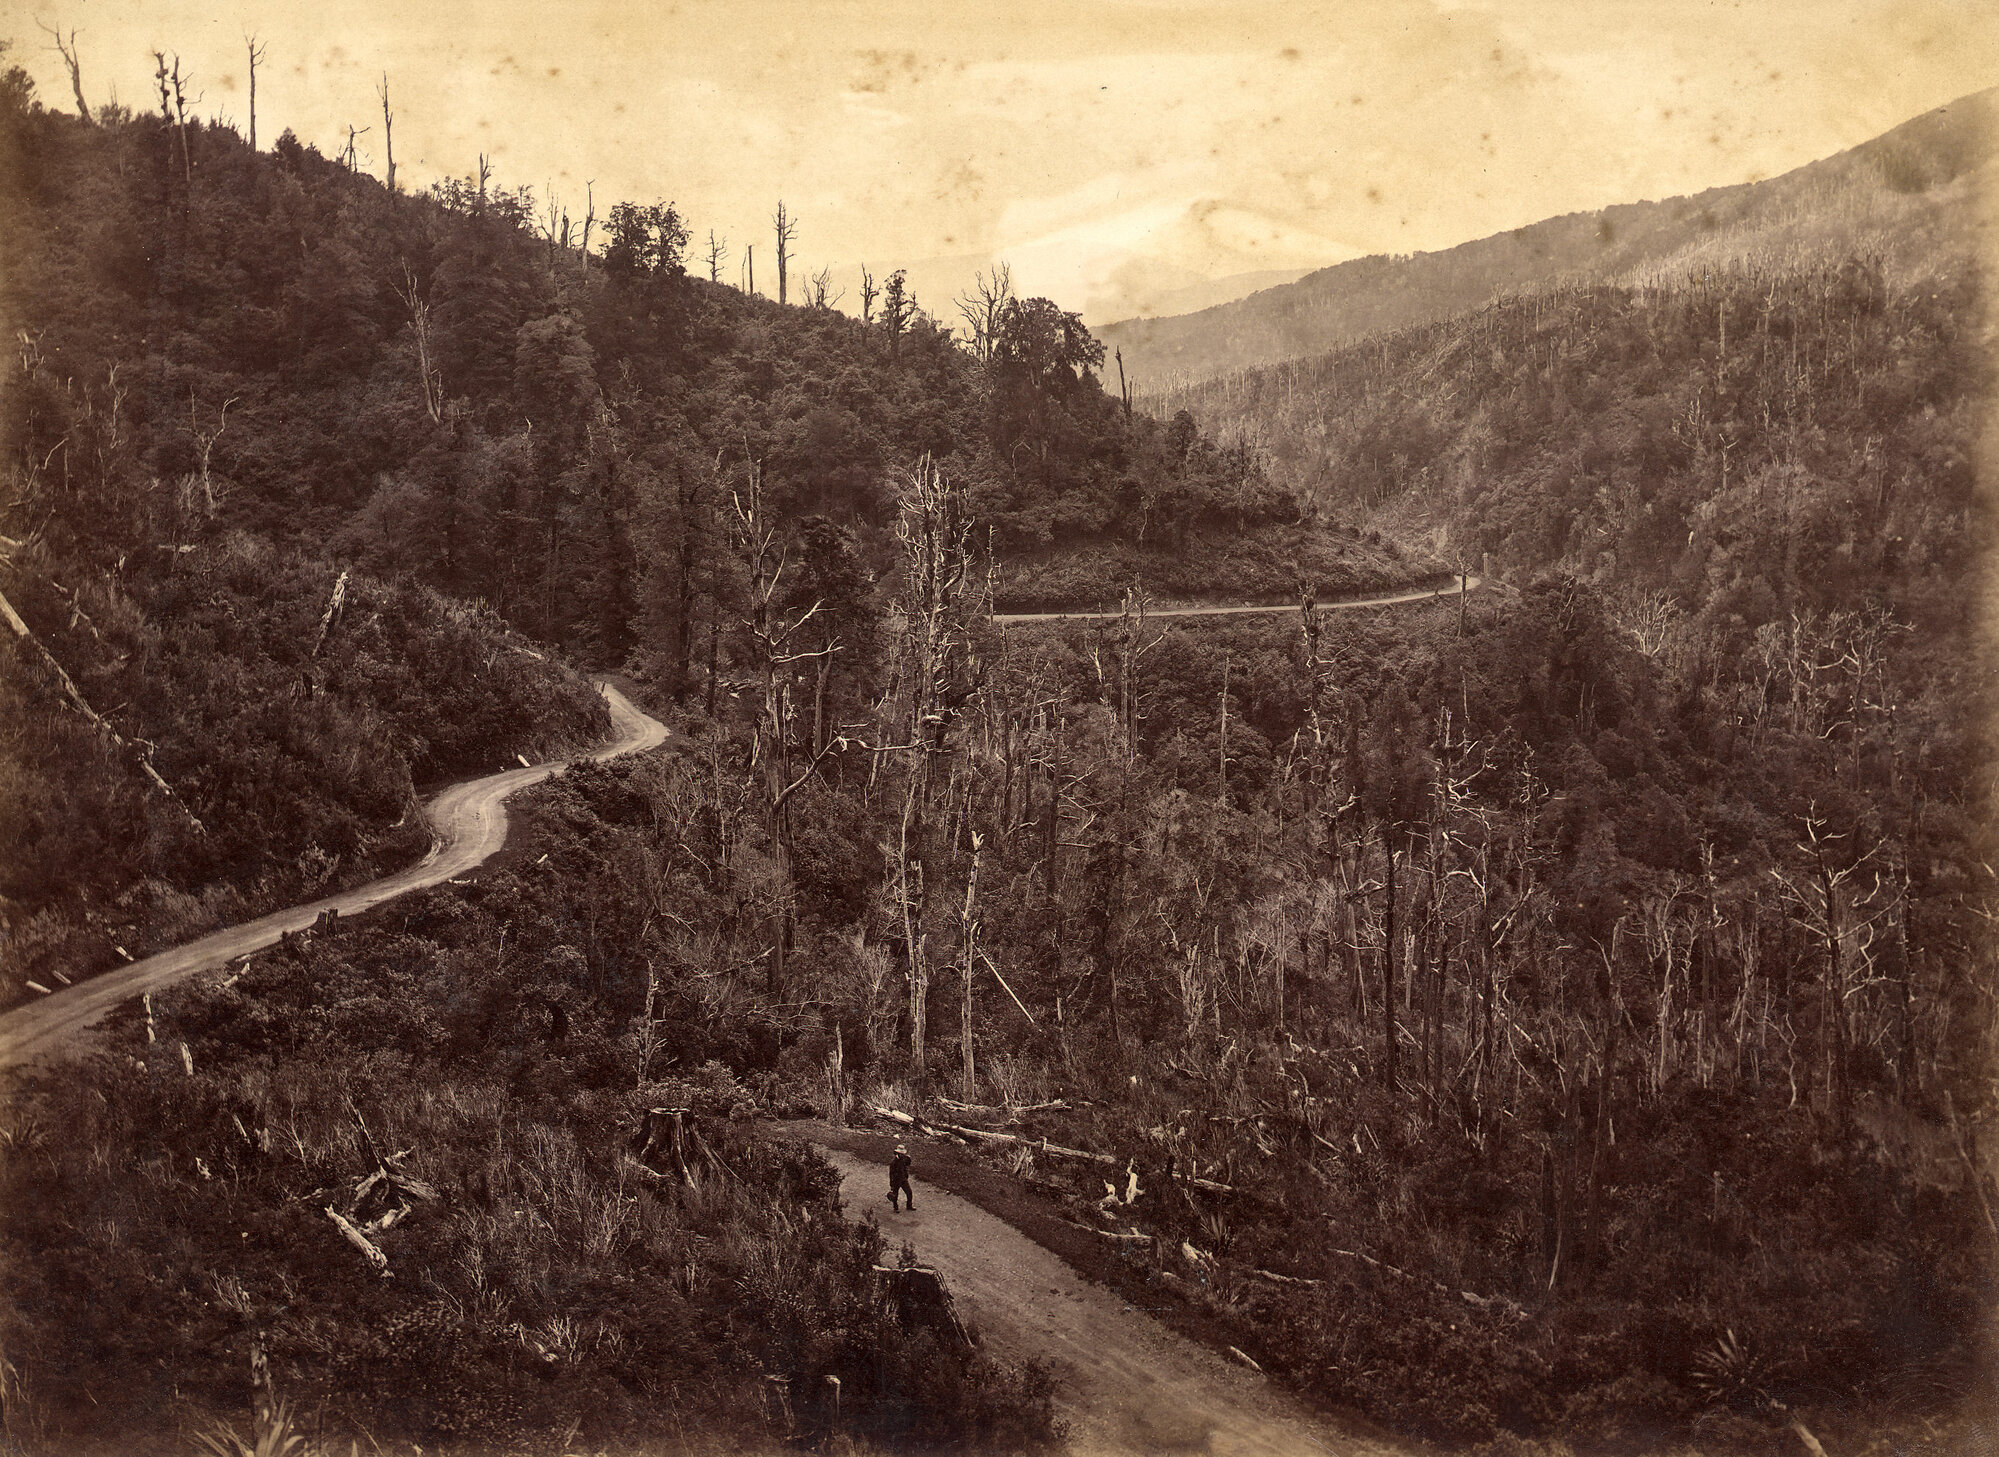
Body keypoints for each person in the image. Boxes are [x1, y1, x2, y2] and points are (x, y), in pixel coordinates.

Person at [888, 1143, 914, 1210]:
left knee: (909, 1193)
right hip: (896, 1181)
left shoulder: (904, 1159)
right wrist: (891, 1184)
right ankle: (895, 1207)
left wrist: (909, 1159)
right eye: (901, 1154)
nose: (902, 1155)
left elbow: (908, 1164)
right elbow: (891, 1174)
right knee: (895, 1195)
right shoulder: (893, 1163)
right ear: (897, 1153)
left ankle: (909, 1206)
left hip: (903, 1179)